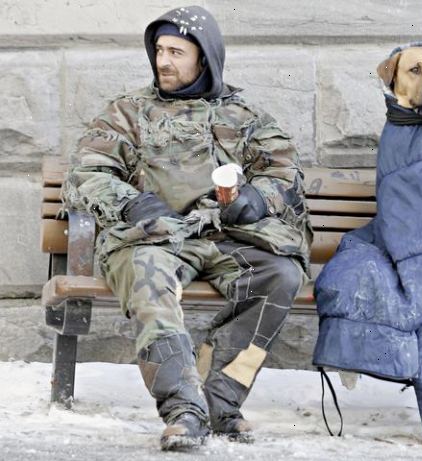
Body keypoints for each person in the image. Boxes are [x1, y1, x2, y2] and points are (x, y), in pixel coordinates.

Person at [61, 5, 312, 451]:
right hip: (152, 238)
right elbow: (87, 172)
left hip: (226, 238)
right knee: (147, 277)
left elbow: (284, 173)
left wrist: (257, 198)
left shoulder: (244, 116)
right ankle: (183, 409)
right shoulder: (128, 112)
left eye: (177, 51)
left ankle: (222, 400)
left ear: (205, 58)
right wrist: (132, 202)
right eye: (159, 50)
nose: (163, 61)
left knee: (281, 275)